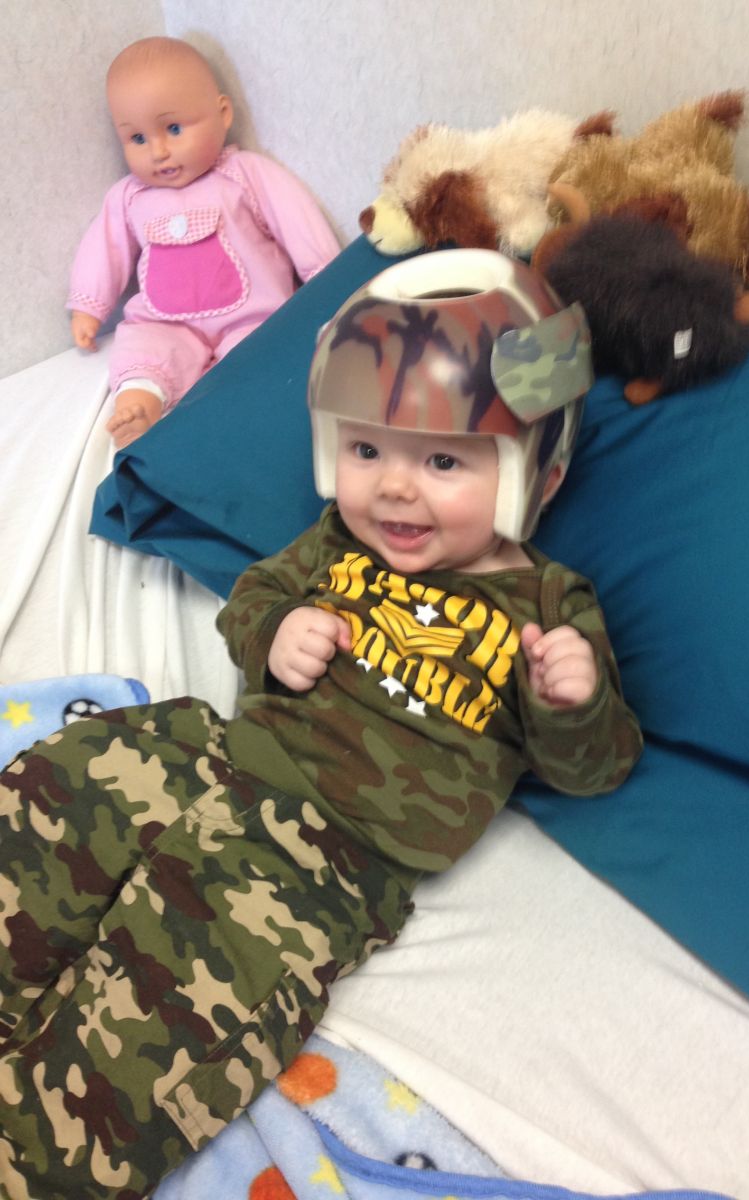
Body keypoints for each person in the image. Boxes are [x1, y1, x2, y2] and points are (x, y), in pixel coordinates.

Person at [1, 249, 643, 1198]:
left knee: (151, 1032)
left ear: (535, 480)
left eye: (443, 461)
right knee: (55, 800)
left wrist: (572, 697)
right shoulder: (338, 542)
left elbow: (595, 765)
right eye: (368, 449)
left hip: (321, 861)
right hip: (210, 754)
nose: (394, 488)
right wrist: (276, 628)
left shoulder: (548, 605)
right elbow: (252, 599)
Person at [68, 36, 340, 447]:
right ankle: (140, 404)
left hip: (252, 317)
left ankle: (240, 415)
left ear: (222, 112)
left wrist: (326, 278)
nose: (158, 151)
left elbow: (295, 218)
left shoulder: (243, 175)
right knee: (142, 347)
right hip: (168, 323)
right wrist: (88, 305)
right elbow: (103, 249)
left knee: (264, 357)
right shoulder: (129, 197)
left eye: (173, 129)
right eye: (138, 139)